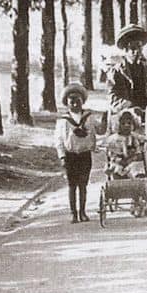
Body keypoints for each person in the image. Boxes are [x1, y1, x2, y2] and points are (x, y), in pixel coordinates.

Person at [108, 24, 147, 181]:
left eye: (139, 48)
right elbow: (112, 97)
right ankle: (127, 181)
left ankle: (145, 183)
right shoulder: (117, 71)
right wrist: (128, 106)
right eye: (132, 49)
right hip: (125, 119)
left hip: (146, 117)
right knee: (127, 152)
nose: (136, 52)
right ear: (125, 50)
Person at [54, 83, 104, 223]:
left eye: (78, 100)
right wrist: (62, 156)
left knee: (83, 185)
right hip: (70, 155)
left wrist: (105, 119)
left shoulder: (89, 117)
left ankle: (82, 212)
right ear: (67, 103)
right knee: (72, 185)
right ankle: (73, 214)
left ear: (83, 101)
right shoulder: (63, 121)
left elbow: (100, 131)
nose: (75, 103)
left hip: (84, 154)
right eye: (72, 101)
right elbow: (58, 140)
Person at [104, 109, 147, 180]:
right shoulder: (114, 138)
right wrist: (118, 160)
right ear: (119, 125)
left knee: (136, 167)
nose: (126, 126)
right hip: (118, 162)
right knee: (114, 167)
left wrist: (132, 158)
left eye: (129, 123)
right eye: (123, 124)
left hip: (131, 162)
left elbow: (138, 153)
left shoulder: (134, 137)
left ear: (133, 125)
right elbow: (111, 154)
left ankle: (138, 180)